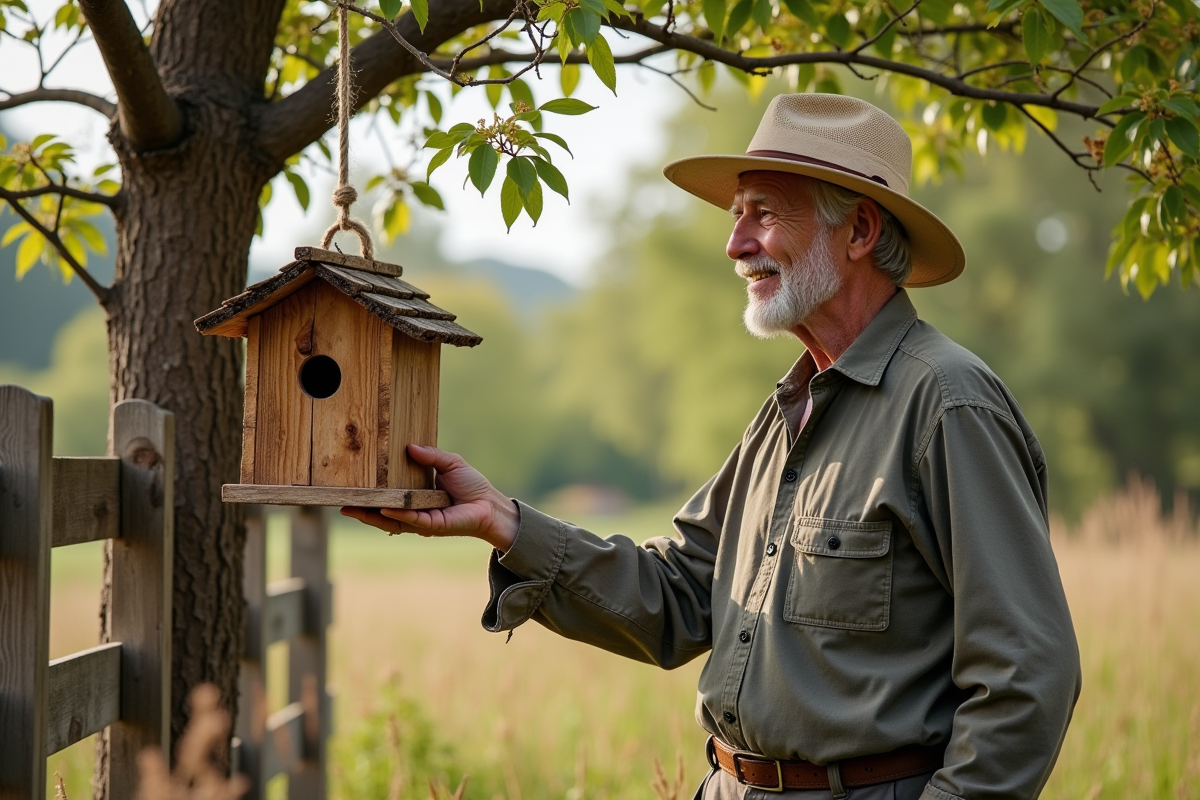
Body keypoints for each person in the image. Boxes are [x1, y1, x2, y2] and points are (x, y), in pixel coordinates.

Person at [344, 93, 1081, 800]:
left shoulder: (947, 403)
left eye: (763, 214)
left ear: (858, 232)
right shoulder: (783, 414)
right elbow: (682, 594)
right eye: (736, 216)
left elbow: (1028, 677)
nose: (735, 244)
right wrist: (505, 522)